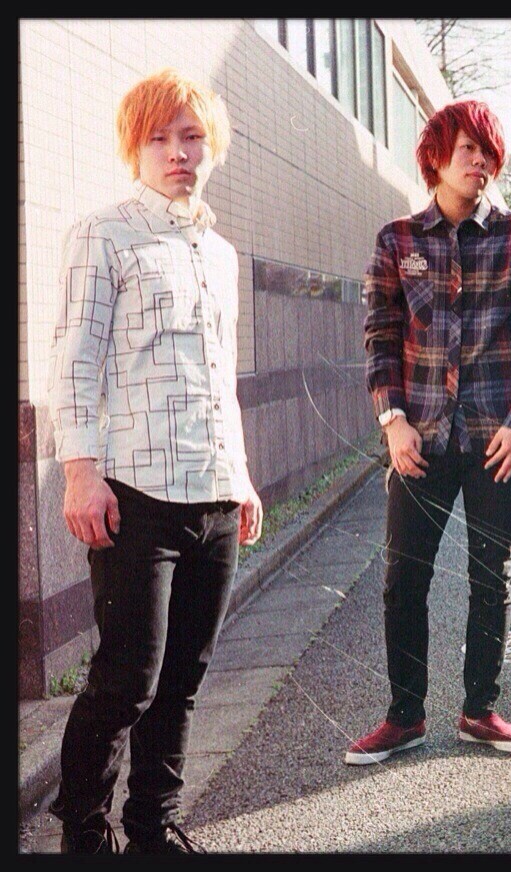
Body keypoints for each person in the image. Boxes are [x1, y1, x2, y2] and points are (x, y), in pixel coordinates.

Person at [46, 68, 262, 854]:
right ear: (133, 149)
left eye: (192, 137)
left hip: (214, 493)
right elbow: (74, 359)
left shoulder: (220, 252)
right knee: (126, 681)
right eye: (159, 138)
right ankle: (83, 834)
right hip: (136, 492)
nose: (178, 152)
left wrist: (241, 478)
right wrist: (80, 470)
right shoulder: (103, 233)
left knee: (184, 680)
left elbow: (219, 376)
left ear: (213, 147)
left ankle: (153, 827)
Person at [347, 100, 511, 765]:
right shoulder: (397, 240)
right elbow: (380, 338)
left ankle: (480, 711)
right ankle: (404, 716)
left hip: (497, 440)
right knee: (403, 579)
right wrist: (392, 420)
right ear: (436, 156)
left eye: (488, 152)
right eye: (468, 149)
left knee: (492, 577)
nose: (480, 163)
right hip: (420, 440)